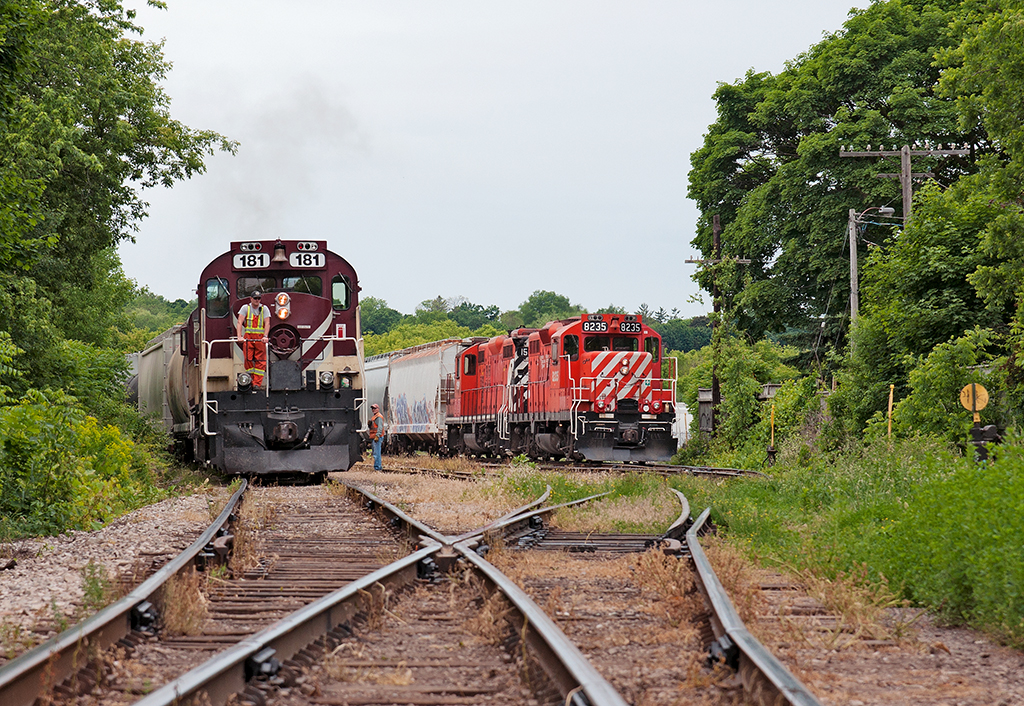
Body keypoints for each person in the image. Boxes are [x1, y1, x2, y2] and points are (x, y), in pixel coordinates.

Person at [236, 290, 271, 389]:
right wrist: (239, 336)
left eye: (259, 298)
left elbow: (267, 323)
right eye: (255, 298)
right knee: (247, 358)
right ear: (251, 299)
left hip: (260, 339)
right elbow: (239, 322)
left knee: (261, 360)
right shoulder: (245, 308)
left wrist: (265, 336)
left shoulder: (265, 309)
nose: (257, 300)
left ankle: (256, 384)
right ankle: (249, 380)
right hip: (248, 338)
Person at [368, 403, 385, 471]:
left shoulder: (378, 417)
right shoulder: (374, 417)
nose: (373, 410)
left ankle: (378, 468)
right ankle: (377, 467)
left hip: (377, 438)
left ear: (378, 409)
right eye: (372, 408)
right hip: (374, 437)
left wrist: (377, 436)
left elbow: (380, 428)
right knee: (376, 453)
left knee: (376, 453)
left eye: (375, 408)